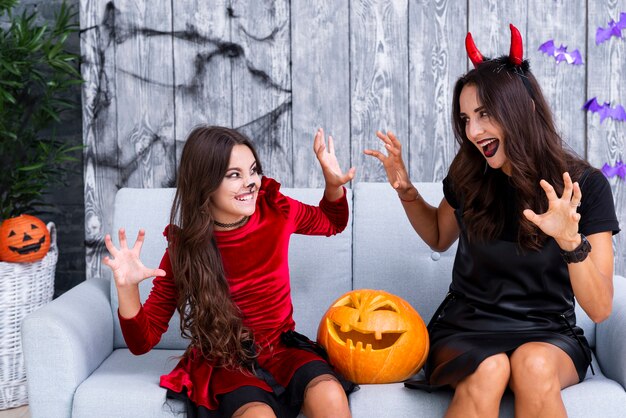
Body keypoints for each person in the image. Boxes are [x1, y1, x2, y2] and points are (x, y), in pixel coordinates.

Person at [365, 24, 620, 418]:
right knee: (489, 367)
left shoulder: (584, 185)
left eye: (484, 114)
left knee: (531, 366)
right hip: (467, 327)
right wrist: (405, 190)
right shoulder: (470, 175)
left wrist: (571, 241)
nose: (473, 131)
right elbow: (437, 235)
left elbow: (601, 308)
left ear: (525, 109)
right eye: (466, 118)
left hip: (548, 332)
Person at [103, 126, 356, 418]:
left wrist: (333, 184)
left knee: (330, 394)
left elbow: (332, 222)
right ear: (205, 184)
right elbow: (141, 342)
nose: (250, 183)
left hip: (281, 350)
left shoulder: (277, 210)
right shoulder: (185, 250)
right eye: (234, 175)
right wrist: (127, 288)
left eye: (253, 171)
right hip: (226, 363)